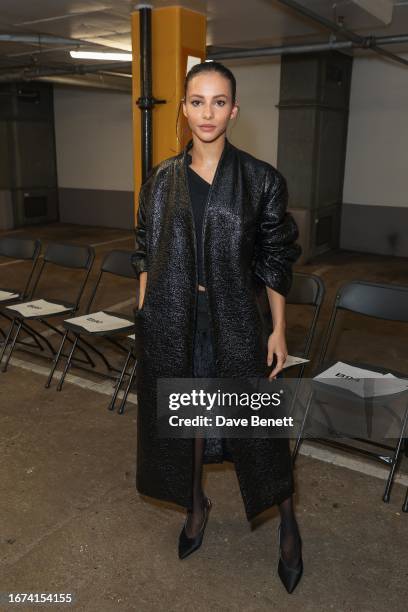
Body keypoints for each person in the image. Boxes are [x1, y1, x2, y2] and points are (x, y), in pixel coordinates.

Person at [132, 61, 303, 593]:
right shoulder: (160, 181)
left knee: (260, 431)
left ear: (234, 109)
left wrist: (278, 330)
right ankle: (196, 507)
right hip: (174, 320)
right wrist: (144, 314)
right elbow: (145, 253)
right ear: (183, 109)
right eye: (197, 101)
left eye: (219, 101)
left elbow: (277, 258)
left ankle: (290, 528)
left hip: (235, 320)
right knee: (190, 424)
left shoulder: (260, 180)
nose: (208, 112)